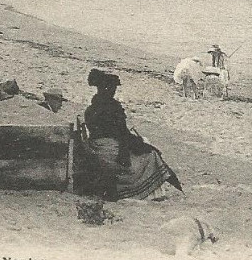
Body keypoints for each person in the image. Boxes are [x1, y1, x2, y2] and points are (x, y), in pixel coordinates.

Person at [78, 69, 182, 200]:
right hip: (110, 148)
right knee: (151, 155)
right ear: (107, 89)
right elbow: (120, 133)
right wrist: (138, 143)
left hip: (97, 145)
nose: (113, 91)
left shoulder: (91, 108)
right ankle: (148, 193)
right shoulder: (112, 107)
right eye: (112, 88)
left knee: (143, 148)